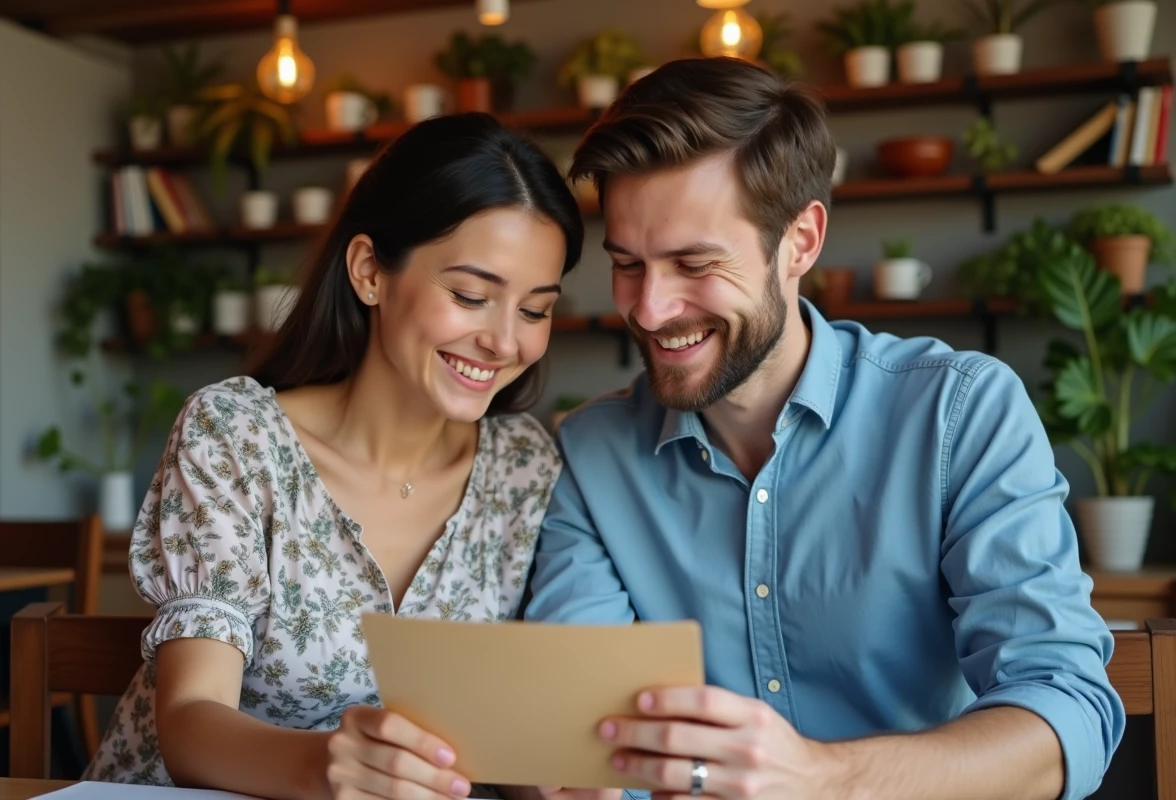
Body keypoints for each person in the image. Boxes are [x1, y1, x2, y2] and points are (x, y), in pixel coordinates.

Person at [525, 57, 1124, 800]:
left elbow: (1067, 712)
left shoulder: (959, 414)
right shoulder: (590, 456)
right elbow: (582, 744)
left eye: (694, 262)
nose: (649, 309)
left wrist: (823, 780)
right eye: (628, 265)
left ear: (801, 241)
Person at [85, 112, 587, 800]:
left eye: (535, 310)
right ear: (369, 272)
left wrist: (558, 777)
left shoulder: (527, 468)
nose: (504, 341)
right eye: (471, 296)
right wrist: (328, 767)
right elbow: (188, 724)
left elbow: (502, 732)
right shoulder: (237, 436)